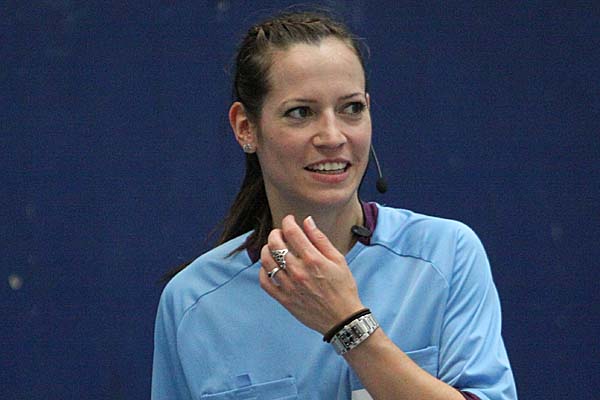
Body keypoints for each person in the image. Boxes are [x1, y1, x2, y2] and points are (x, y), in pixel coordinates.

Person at [152, 10, 517, 400]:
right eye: (301, 112)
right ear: (246, 127)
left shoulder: (447, 255)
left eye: (351, 108)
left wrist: (347, 323)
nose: (332, 136)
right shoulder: (191, 301)